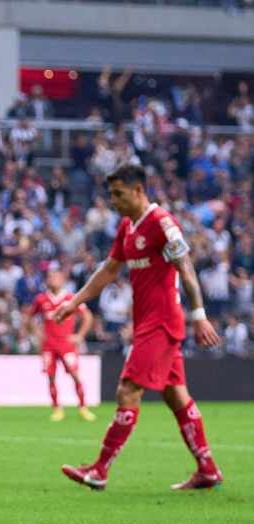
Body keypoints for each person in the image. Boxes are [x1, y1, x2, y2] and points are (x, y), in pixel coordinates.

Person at [56, 164, 223, 491]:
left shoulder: (162, 223)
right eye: (111, 194)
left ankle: (99, 470)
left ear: (139, 190)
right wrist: (74, 302)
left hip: (162, 322)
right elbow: (107, 271)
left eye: (119, 194)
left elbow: (185, 267)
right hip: (147, 321)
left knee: (128, 390)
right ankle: (207, 469)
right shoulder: (127, 227)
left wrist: (199, 314)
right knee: (177, 396)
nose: (113, 200)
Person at [26, 269, 95, 422]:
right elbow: (29, 317)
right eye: (50, 277)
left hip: (66, 344)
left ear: (63, 280)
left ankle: (83, 407)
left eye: (56, 277)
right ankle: (57, 409)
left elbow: (87, 316)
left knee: (75, 376)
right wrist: (37, 333)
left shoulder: (71, 298)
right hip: (48, 345)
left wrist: (80, 336)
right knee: (51, 377)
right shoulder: (41, 299)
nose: (52, 280)